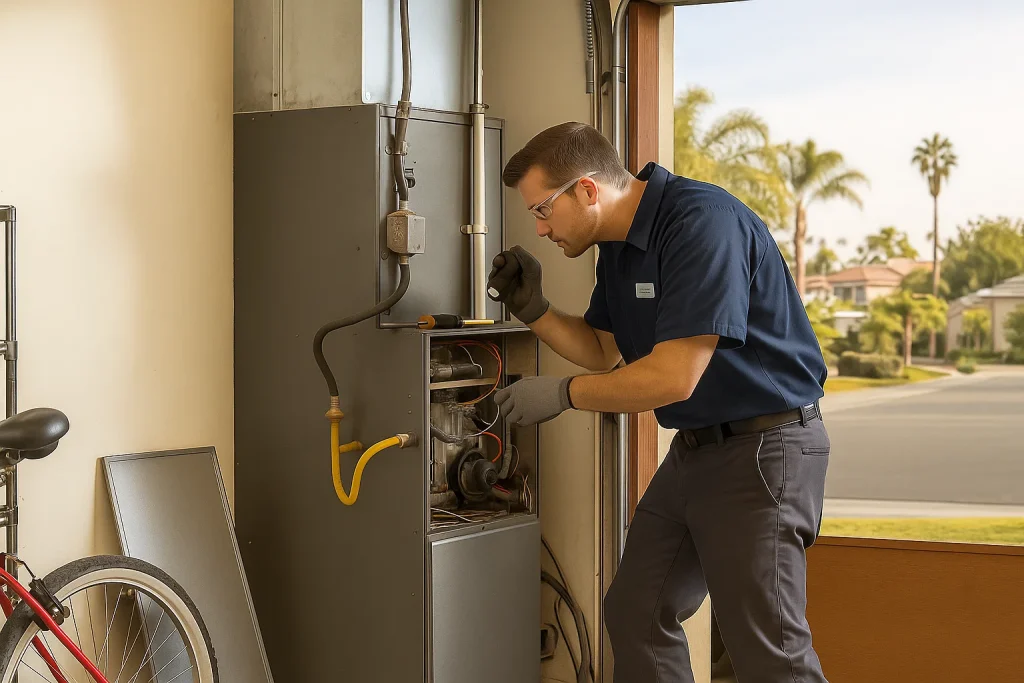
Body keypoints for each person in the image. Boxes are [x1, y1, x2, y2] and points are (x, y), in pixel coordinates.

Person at [489, 121, 830, 683]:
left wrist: (561, 394)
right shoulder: (619, 248)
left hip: (764, 449)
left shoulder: (702, 223)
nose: (540, 227)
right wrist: (535, 310)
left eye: (543, 209)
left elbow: (674, 377)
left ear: (587, 190)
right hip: (697, 451)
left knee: (769, 652)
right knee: (637, 613)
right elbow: (602, 349)